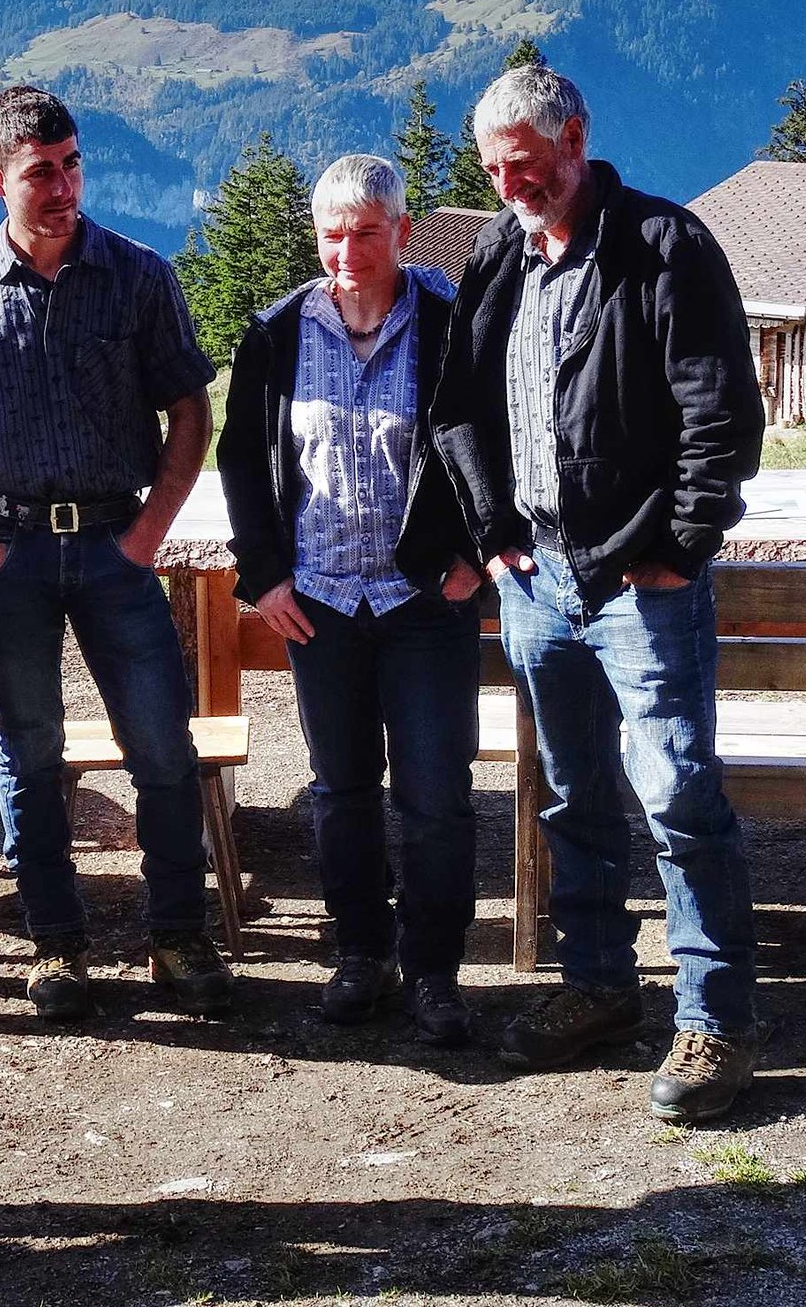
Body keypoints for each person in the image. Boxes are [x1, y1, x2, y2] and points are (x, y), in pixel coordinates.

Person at [430, 62, 767, 1123]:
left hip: (638, 585)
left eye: (523, 164)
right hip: (532, 579)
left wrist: (675, 546)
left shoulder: (663, 246)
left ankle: (714, 1019)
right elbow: (457, 409)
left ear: (575, 137)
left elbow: (721, 417)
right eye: (492, 169)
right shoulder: (496, 251)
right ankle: (596, 989)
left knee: (675, 796)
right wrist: (489, 532)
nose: (508, 185)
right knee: (572, 796)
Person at [0, 84, 232, 1021]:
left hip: (118, 546)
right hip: (11, 554)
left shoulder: (137, 275)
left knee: (162, 746)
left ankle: (178, 939)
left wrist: (150, 530)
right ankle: (57, 950)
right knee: (30, 752)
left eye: (73, 164)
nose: (63, 187)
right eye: (41, 172)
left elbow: (190, 408)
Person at [215, 154, 485, 1045]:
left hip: (421, 600)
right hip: (321, 601)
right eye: (334, 232)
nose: (350, 249)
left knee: (437, 793)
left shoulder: (450, 323)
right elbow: (246, 463)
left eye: (369, 231)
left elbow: (499, 437)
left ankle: (436, 971)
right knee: (340, 791)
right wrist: (262, 575)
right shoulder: (278, 333)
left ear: (403, 233)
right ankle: (361, 954)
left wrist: (474, 556)